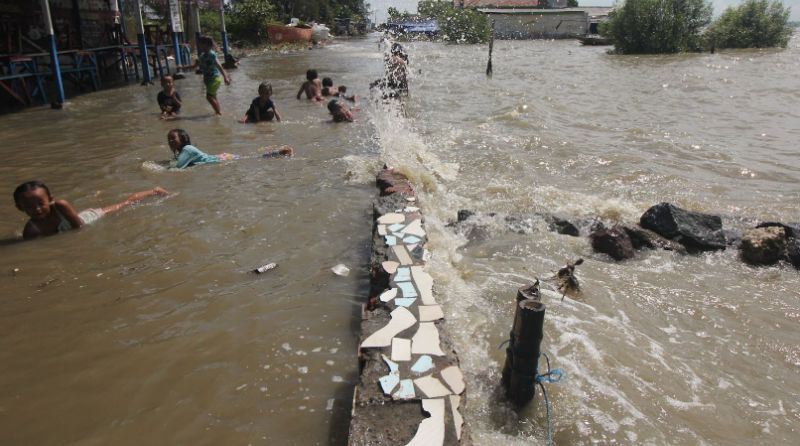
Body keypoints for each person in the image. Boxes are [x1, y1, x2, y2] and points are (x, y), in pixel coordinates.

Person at [13, 181, 168, 240]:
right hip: (75, 223)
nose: (37, 209)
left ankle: (154, 191)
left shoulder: (60, 205)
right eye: (29, 206)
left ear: (50, 199)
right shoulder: (30, 231)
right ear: (20, 208)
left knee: (124, 204)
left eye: (41, 203)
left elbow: (79, 227)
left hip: (88, 219)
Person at [167, 128, 293, 169]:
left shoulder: (188, 149)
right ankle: (278, 152)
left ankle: (280, 152)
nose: (171, 141)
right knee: (251, 157)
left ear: (182, 139)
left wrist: (159, 167)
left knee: (254, 158)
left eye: (173, 138)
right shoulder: (184, 151)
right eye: (169, 139)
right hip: (221, 157)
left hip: (222, 159)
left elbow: (177, 168)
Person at [181, 36, 231, 116]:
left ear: (208, 45)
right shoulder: (202, 56)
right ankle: (218, 112)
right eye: (200, 45)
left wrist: (226, 77)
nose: (200, 46)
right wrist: (183, 67)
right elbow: (194, 66)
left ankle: (219, 113)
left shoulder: (212, 55)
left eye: (202, 44)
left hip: (214, 78)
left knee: (209, 97)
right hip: (208, 80)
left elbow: (220, 67)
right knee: (213, 97)